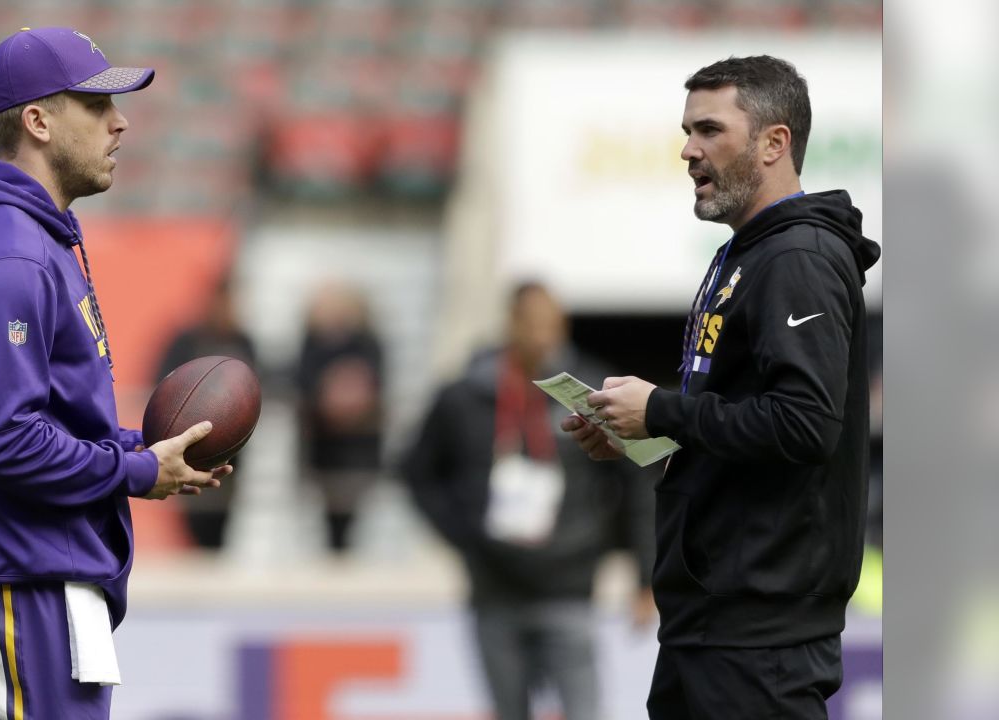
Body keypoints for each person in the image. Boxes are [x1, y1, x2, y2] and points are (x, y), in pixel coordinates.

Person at [0, 27, 231, 719]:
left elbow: (45, 419)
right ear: (38, 121)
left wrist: (142, 454)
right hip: (14, 585)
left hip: (43, 582)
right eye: (95, 104)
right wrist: (136, 473)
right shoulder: (7, 255)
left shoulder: (33, 241)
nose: (120, 122)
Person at [562, 56, 881, 719]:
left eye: (709, 130)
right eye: (687, 131)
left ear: (774, 142)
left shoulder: (798, 259)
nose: (688, 150)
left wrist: (663, 408)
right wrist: (645, 429)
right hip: (712, 619)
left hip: (758, 631)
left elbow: (803, 424)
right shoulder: (745, 253)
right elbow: (733, 411)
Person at [404, 283, 656, 720]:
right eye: (533, 325)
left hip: (570, 582)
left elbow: (638, 481)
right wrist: (463, 534)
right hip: (494, 585)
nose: (543, 338)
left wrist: (645, 576)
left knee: (583, 710)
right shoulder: (465, 395)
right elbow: (416, 470)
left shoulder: (591, 392)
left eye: (552, 327)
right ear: (510, 325)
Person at [153, 274, 258, 549]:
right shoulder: (186, 340)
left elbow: (257, 384)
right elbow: (163, 382)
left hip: (230, 452)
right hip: (188, 448)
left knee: (221, 521)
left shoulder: (244, 340)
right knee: (194, 515)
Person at [296, 281, 385, 553]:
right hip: (324, 447)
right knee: (328, 513)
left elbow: (375, 385)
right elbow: (304, 384)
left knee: (349, 512)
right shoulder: (313, 343)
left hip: (358, 448)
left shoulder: (368, 344)